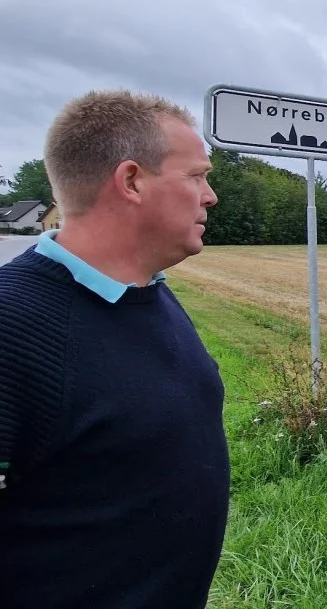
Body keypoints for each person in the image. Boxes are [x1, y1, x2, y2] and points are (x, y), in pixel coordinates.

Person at [0, 89, 230, 608]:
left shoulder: (149, 291)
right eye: (196, 176)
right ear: (131, 181)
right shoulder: (12, 327)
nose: (210, 195)